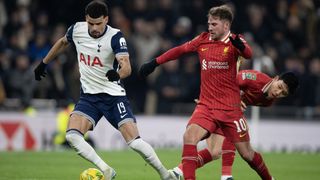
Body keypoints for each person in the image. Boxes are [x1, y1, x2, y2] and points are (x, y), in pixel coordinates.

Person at [33, 1, 176, 180]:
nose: (94, 28)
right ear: (86, 19)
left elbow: (127, 67)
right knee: (72, 136)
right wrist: (44, 63)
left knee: (135, 143)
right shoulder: (76, 29)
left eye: (98, 23)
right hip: (88, 97)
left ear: (106, 19)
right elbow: (62, 42)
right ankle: (106, 170)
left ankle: (166, 175)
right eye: (91, 23)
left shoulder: (115, 37)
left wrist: (117, 74)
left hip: (113, 97)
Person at [139, 5, 275, 180]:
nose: (210, 27)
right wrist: (155, 62)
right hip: (206, 106)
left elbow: (248, 53)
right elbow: (180, 50)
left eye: (214, 24)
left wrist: (241, 47)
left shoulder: (235, 41)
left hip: (230, 109)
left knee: (248, 155)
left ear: (226, 26)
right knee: (189, 136)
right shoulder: (202, 39)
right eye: (209, 23)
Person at [171, 70, 299, 180]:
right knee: (241, 140)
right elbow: (227, 81)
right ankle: (226, 175)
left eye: (283, 93)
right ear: (276, 79)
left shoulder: (268, 101)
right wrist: (229, 99)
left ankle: (178, 171)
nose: (278, 92)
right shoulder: (255, 78)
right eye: (280, 86)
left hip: (225, 111)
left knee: (215, 151)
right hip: (214, 104)